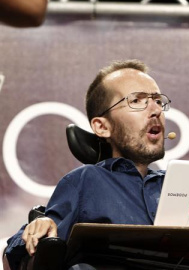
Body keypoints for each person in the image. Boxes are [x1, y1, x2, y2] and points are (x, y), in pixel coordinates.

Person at [4, 59, 172, 270]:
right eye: (137, 101)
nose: (155, 110)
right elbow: (15, 259)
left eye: (158, 101)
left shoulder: (177, 185)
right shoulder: (87, 181)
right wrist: (34, 229)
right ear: (102, 127)